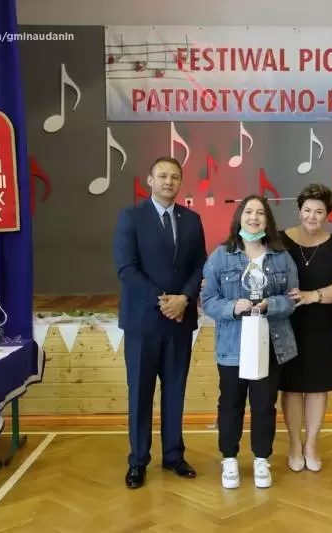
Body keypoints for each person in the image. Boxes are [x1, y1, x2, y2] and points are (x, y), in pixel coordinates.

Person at [113, 156, 207, 489]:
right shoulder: (131, 217)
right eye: (162, 176)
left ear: (180, 182)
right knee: (140, 393)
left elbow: (200, 265)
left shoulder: (192, 220)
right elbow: (127, 269)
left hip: (180, 321)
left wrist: (184, 298)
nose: (169, 181)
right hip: (143, 323)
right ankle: (138, 461)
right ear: (150, 181)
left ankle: (173, 456)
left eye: (175, 176)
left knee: (175, 391)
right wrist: (162, 300)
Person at [200, 195, 299, 490]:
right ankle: (229, 458)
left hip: (269, 344)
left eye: (260, 213)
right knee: (230, 404)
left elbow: (292, 299)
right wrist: (233, 307)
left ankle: (261, 459)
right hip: (232, 346)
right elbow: (208, 300)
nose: (254, 218)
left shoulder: (281, 257)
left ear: (267, 220)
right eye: (248, 212)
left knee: (264, 405)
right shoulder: (221, 256)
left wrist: (271, 305)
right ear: (239, 218)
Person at [279, 184, 332, 472]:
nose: (312, 216)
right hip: (286, 326)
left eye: (319, 211)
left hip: (322, 326)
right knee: (291, 388)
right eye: (307, 210)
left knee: (318, 388)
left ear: (327, 215)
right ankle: (295, 444)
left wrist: (313, 295)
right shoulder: (280, 240)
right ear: (299, 211)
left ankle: (311, 444)